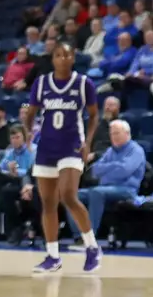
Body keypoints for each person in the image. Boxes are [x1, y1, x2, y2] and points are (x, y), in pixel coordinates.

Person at [29, 41, 100, 273]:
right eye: (58, 55)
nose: (62, 58)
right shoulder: (41, 84)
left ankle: (91, 247)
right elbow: (30, 113)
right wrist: (30, 134)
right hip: (46, 147)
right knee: (48, 203)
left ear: (73, 58)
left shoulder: (83, 83)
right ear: (53, 59)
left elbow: (93, 115)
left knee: (68, 196)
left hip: (72, 146)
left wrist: (88, 142)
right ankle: (53, 256)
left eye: (67, 55)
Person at [79, 119, 144, 236]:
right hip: (106, 188)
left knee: (96, 192)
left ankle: (89, 236)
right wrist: (115, 166)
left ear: (127, 133)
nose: (113, 137)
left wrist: (107, 171)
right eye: (112, 134)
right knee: (73, 196)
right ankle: (78, 235)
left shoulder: (136, 150)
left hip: (127, 189)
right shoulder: (110, 151)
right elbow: (95, 169)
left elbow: (124, 170)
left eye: (117, 133)